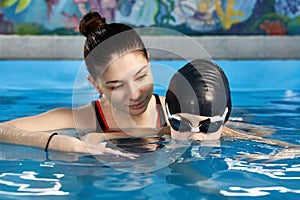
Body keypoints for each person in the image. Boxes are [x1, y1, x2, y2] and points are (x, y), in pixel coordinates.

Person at [0, 11, 167, 153]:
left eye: (140, 77)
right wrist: (58, 143)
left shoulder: (174, 110)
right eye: (116, 86)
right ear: (96, 85)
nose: (135, 94)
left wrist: (104, 137)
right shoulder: (86, 119)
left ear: (149, 62)